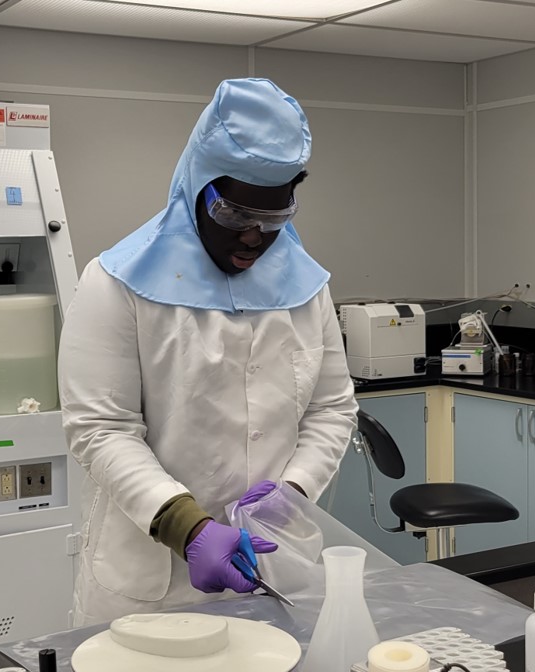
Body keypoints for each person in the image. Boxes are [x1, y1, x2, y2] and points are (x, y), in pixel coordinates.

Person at [58, 78, 359, 626]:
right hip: (154, 585)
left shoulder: (307, 288)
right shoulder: (115, 283)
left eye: (273, 220)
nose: (253, 239)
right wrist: (187, 527)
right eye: (235, 216)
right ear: (196, 185)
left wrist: (290, 494)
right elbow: (100, 429)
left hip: (276, 566)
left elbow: (332, 409)